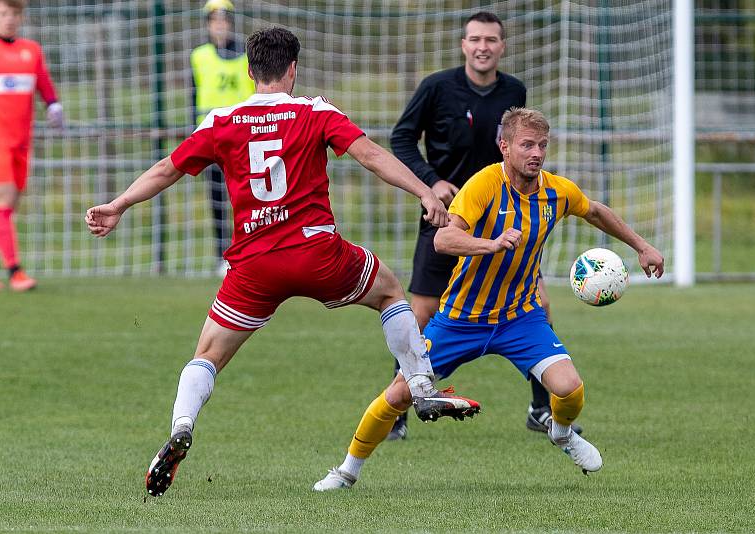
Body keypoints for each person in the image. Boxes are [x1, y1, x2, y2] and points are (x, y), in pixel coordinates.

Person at [85, 27, 481, 497]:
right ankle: (419, 382)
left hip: (254, 263)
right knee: (392, 292)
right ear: (293, 69)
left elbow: (167, 168)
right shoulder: (315, 112)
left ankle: (181, 425)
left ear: (249, 71)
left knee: (207, 355)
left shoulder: (222, 120)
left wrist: (119, 204)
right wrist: (423, 190)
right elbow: (371, 156)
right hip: (318, 254)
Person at [313, 107, 664, 490]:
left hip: (520, 317)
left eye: (542, 145)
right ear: (505, 147)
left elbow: (594, 211)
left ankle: (561, 433)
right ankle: (346, 472)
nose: (537, 153)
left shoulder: (556, 192)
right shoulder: (483, 186)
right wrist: (491, 244)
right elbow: (444, 239)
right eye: (527, 145)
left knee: (570, 389)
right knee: (398, 394)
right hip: (461, 318)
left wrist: (641, 246)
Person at [387, 11, 562, 440]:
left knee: (538, 305)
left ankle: (541, 409)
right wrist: (432, 182)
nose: (483, 46)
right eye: (475, 39)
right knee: (422, 314)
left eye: (491, 39)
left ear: (502, 46)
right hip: (446, 219)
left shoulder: (514, 91)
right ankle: (397, 412)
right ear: (464, 45)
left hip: (506, 223)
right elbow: (401, 139)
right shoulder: (436, 87)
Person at [0, 0, 62, 291]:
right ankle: (15, 271)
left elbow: (43, 83)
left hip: (21, 141)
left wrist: (53, 105)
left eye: (15, 14)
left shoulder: (31, 50)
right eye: (4, 13)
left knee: (5, 208)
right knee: (2, 202)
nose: (9, 19)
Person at [191, 0, 255, 275]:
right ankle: (222, 255)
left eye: (224, 20)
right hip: (212, 137)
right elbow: (192, 94)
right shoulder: (199, 56)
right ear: (208, 25)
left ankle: (248, 251)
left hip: (241, 136)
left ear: (231, 23)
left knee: (245, 197)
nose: (219, 26)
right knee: (216, 197)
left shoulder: (244, 56)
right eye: (214, 21)